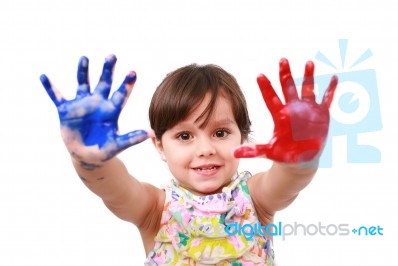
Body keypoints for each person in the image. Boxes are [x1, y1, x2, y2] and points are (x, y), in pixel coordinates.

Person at [40, 54, 338, 265]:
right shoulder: (153, 208)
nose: (205, 148)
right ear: (159, 145)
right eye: (185, 136)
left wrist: (301, 158)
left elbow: (288, 182)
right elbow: (111, 187)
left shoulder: (256, 198)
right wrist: (91, 161)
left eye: (220, 132)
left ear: (242, 135)